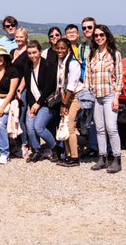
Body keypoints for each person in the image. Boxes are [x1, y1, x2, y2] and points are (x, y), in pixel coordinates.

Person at [85, 24, 123, 174]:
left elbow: (119, 77)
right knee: (99, 129)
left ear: (107, 36)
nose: (99, 37)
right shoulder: (91, 55)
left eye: (102, 35)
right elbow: (88, 76)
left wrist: (117, 97)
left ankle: (117, 158)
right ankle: (102, 158)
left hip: (109, 95)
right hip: (96, 96)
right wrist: (87, 93)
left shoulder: (115, 54)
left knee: (111, 128)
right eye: (96, 35)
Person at [20, 40, 59, 163]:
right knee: (30, 127)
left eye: (34, 52)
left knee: (39, 127)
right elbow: (29, 86)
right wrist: (32, 104)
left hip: (47, 103)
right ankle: (37, 150)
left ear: (40, 51)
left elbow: (49, 88)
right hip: (34, 103)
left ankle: (55, 148)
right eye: (29, 53)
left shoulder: (49, 66)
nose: (32, 55)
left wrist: (38, 103)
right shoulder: (27, 65)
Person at [55, 38, 82, 167]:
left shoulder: (72, 63)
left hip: (76, 96)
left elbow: (72, 85)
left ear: (68, 49)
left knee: (70, 126)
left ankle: (75, 157)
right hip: (66, 97)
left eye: (63, 48)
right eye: (58, 48)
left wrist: (64, 104)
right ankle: (69, 155)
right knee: (65, 124)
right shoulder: (60, 63)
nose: (60, 50)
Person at [79, 16, 99, 157]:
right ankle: (93, 147)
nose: (87, 30)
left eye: (89, 27)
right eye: (84, 28)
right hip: (86, 85)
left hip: (99, 86)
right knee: (89, 119)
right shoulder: (83, 47)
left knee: (99, 120)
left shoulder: (101, 45)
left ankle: (104, 149)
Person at [11, 27, 30, 157]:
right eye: (17, 37)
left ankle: (25, 144)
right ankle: (17, 143)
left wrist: (19, 89)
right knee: (15, 116)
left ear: (26, 38)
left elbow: (26, 73)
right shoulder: (13, 51)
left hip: (22, 89)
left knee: (22, 117)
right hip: (13, 88)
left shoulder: (28, 52)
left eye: (21, 37)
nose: (18, 39)